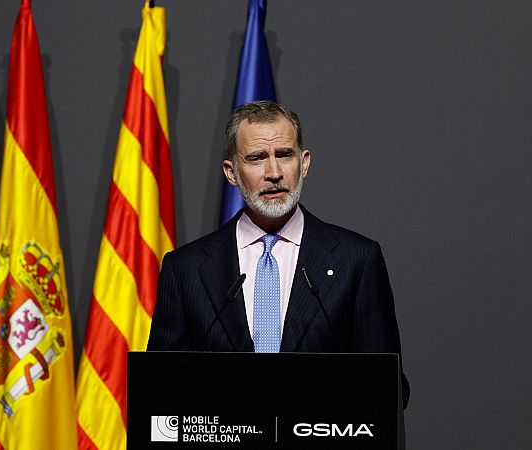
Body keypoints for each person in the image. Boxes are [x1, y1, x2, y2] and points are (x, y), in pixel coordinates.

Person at [147, 100, 409, 408]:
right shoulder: (185, 269)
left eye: (284, 155)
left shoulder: (357, 260)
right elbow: (161, 390)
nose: (274, 173)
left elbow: (388, 389)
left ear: (304, 163)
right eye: (256, 158)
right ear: (232, 173)